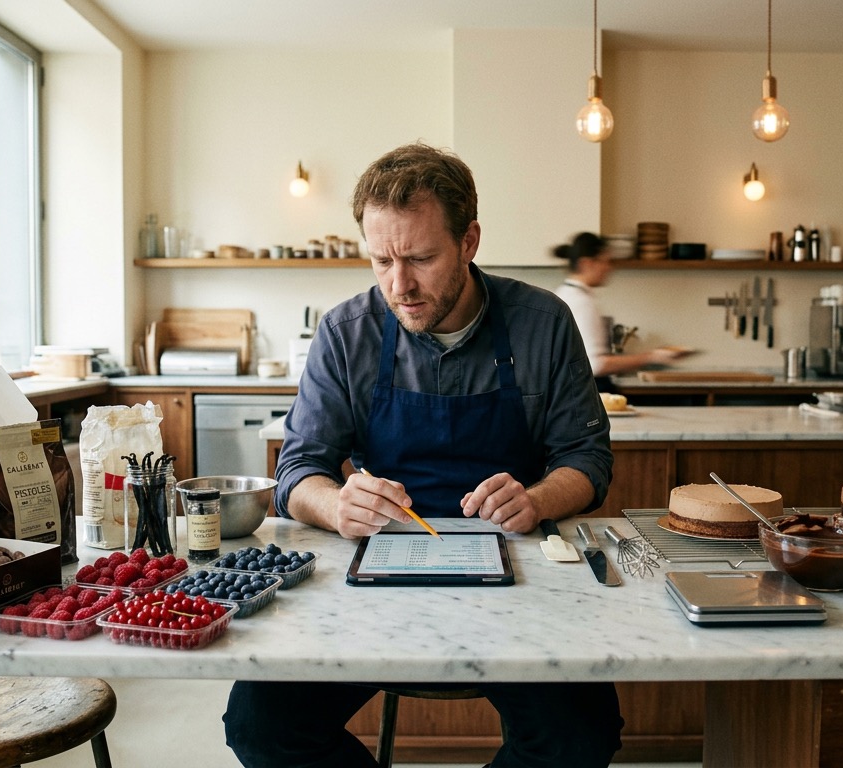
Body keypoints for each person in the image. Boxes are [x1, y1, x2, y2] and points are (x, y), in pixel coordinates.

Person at [223, 143, 622, 767]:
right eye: (381, 260)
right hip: (373, 577)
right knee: (262, 726)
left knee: (580, 735)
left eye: (420, 258)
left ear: (469, 241)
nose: (398, 285)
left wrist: (537, 498)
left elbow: (588, 459)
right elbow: (298, 471)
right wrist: (336, 505)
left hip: (518, 581)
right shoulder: (345, 332)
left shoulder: (543, 322)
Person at [554, 232, 692, 392]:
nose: (609, 268)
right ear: (586, 264)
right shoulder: (581, 302)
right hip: (587, 395)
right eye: (605, 262)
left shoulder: (565, 295)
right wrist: (652, 356)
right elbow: (596, 364)